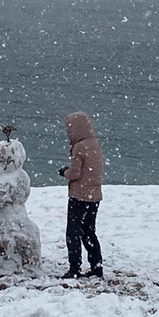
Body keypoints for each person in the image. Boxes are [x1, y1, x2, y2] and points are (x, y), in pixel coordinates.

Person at [58, 112, 104, 278]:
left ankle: (74, 268)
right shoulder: (94, 144)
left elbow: (75, 173)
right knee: (89, 232)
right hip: (94, 196)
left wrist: (64, 172)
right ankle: (96, 266)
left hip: (79, 196)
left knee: (73, 233)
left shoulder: (79, 147)